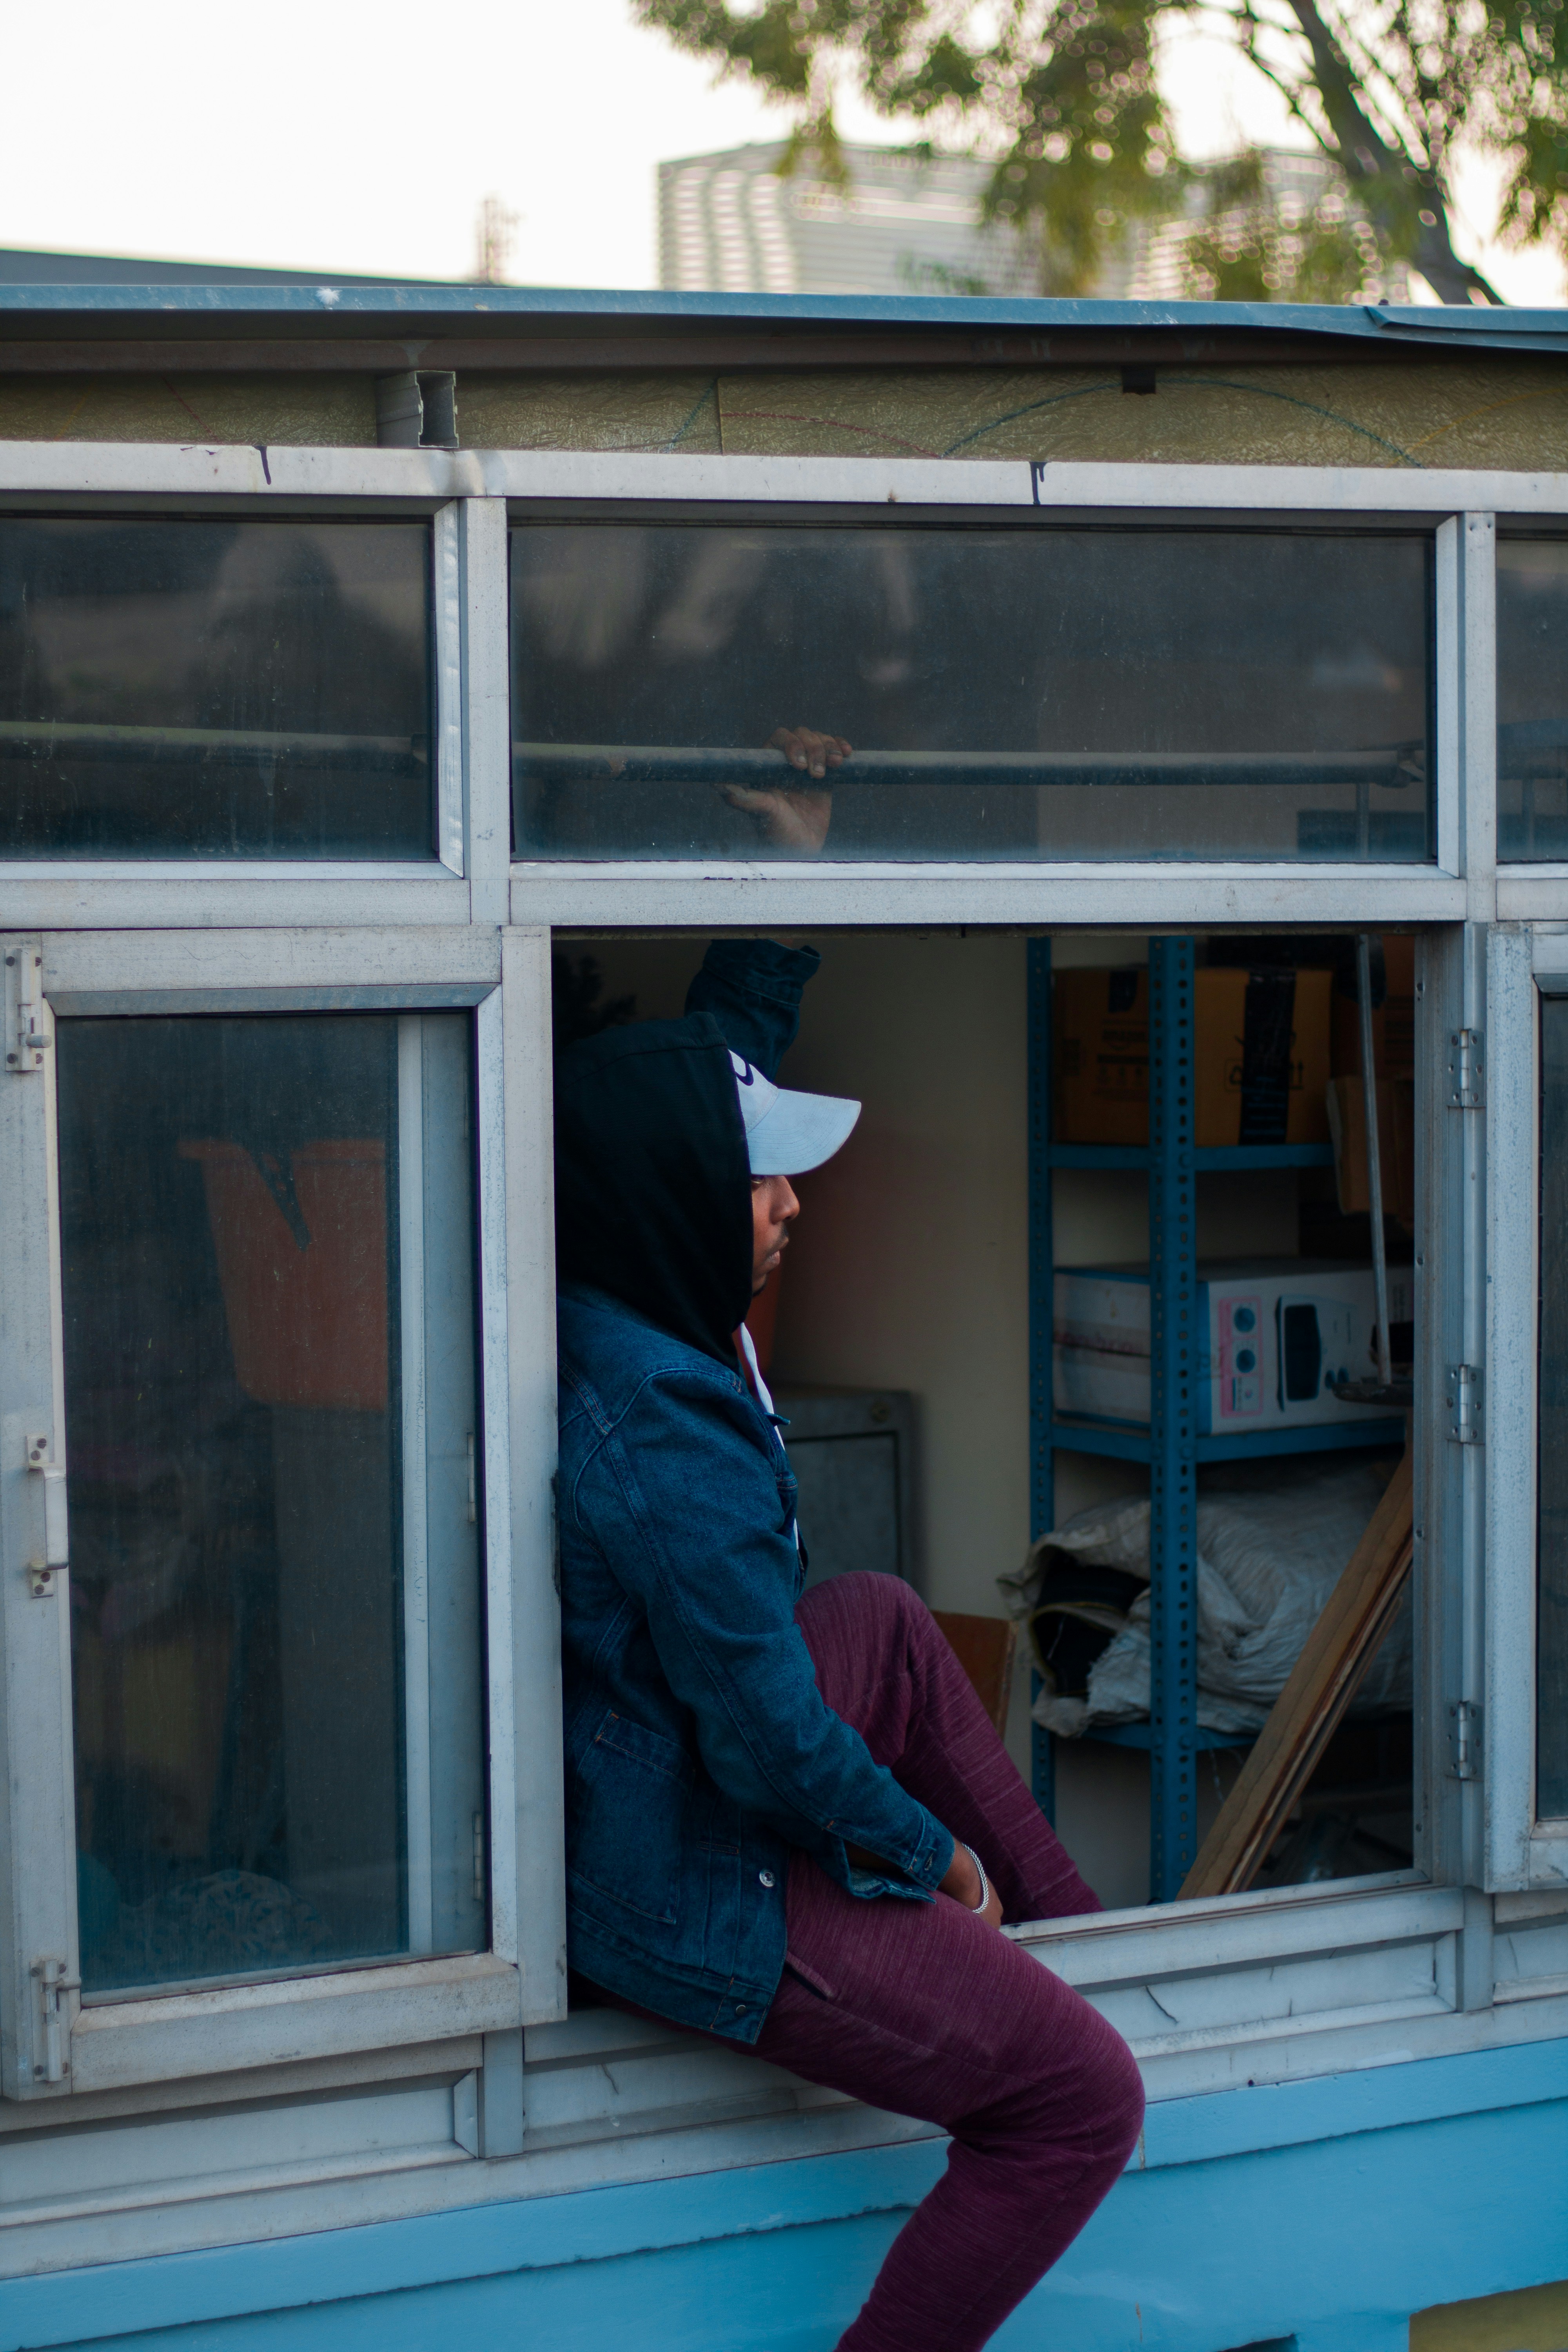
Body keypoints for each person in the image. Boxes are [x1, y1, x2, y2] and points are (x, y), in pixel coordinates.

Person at [554, 937, 1144, 2352]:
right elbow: (763, 1749)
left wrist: (774, 913)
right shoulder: (671, 1418)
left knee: (876, 1615)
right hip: (689, 1866)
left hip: (634, 1772)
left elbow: (705, 1082)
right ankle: (1050, 1972)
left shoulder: (613, 1293)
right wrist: (927, 1860)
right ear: (680, 1195)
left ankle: (1075, 1943)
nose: (792, 1201)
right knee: (1082, 2099)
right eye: (761, 1177)